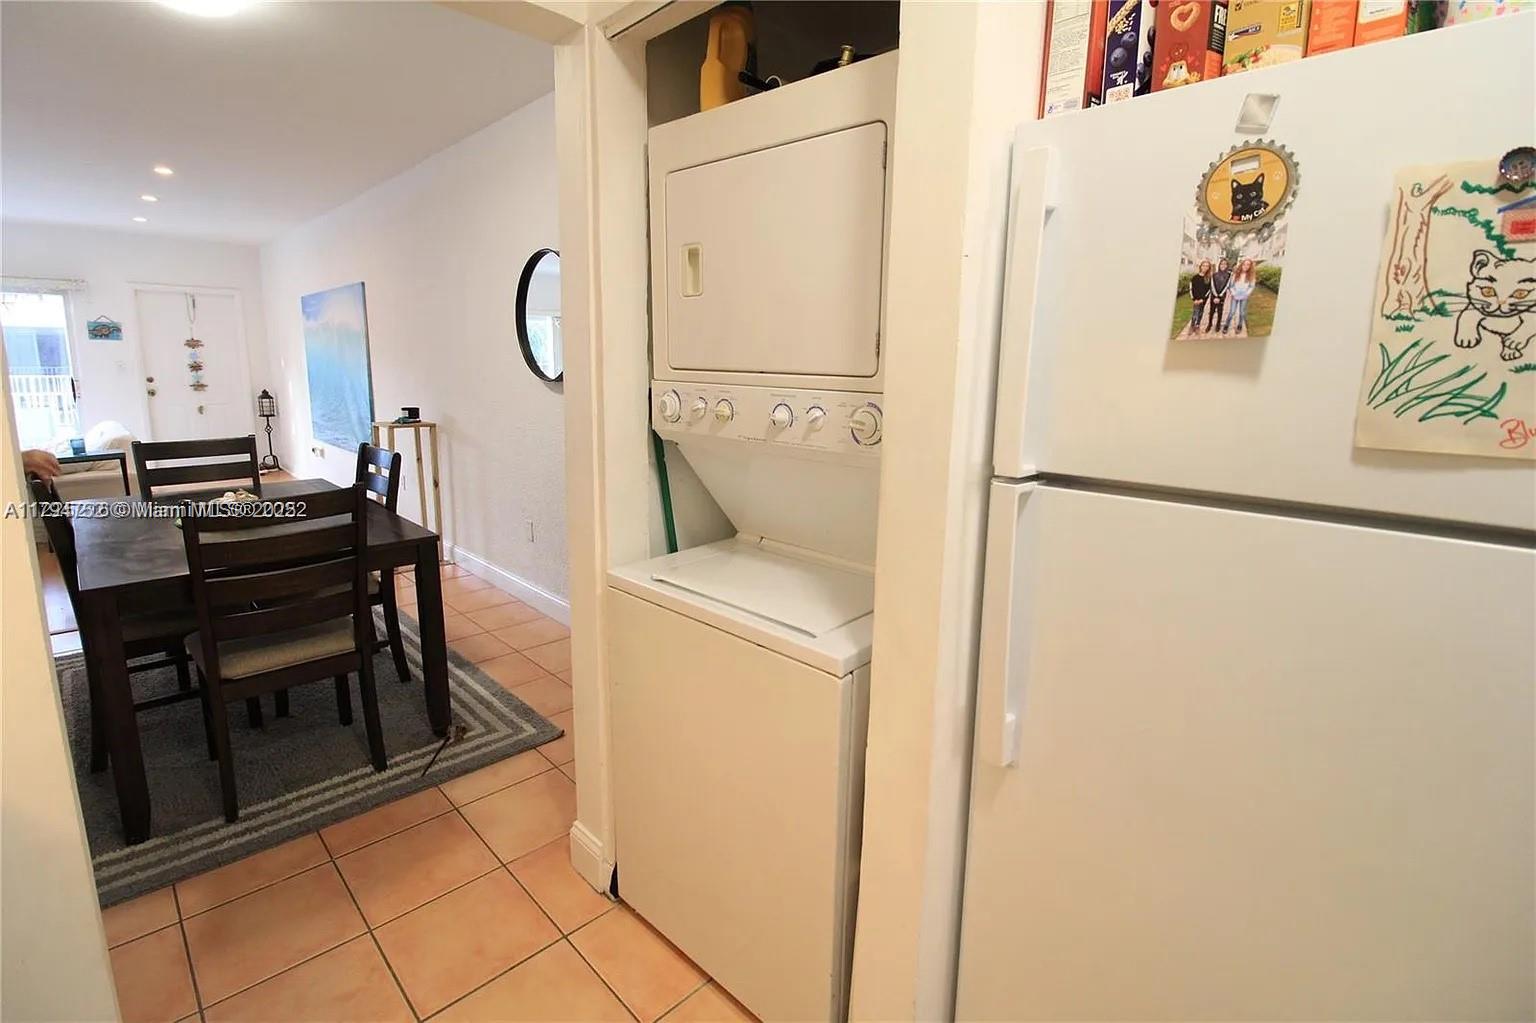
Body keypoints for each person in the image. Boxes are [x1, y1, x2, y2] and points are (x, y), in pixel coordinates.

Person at [1223, 259, 1257, 335]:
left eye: (1248, 265)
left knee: (1242, 313)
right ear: (1241, 265)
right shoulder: (1235, 274)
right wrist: (1233, 293)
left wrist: (1246, 294)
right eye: (1244, 264)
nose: (1246, 266)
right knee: (1232, 312)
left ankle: (1240, 325)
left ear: (1250, 266)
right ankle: (1226, 325)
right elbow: (1230, 286)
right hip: (1235, 296)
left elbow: (1251, 287)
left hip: (1244, 297)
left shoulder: (1251, 276)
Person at [1187, 260, 1214, 336]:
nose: (1205, 267)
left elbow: (1209, 290)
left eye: (1207, 266)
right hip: (1196, 300)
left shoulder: (1208, 278)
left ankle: (1197, 326)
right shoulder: (1195, 278)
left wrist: (1203, 299)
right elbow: (1191, 289)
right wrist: (1194, 299)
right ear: (1200, 267)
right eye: (1203, 265)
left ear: (1208, 268)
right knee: (1195, 313)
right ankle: (1192, 326)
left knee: (1200, 313)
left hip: (1203, 300)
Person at [1205, 258, 1232, 332]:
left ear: (1227, 265)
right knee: (1211, 311)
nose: (1223, 265)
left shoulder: (1229, 275)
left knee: (1220, 311)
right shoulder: (1214, 274)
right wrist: (1215, 296)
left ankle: (1218, 324)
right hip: (1213, 296)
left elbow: (1227, 286)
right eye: (1221, 264)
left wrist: (1220, 296)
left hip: (1222, 296)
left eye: (1225, 264)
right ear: (1219, 265)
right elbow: (1212, 285)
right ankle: (1209, 324)